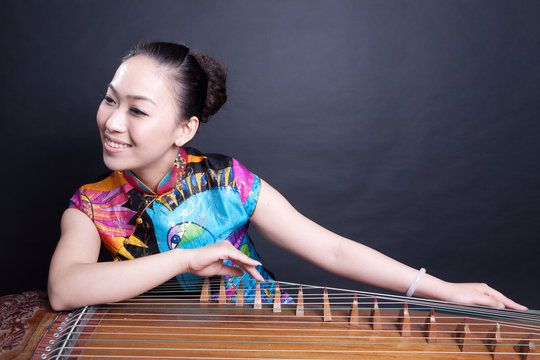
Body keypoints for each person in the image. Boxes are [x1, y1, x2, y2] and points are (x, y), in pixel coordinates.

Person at [48, 41, 526, 312]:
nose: (112, 121)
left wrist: (445, 290)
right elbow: (65, 289)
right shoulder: (92, 206)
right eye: (111, 99)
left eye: (138, 110)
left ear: (184, 128)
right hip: (164, 343)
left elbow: (330, 248)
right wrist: (185, 260)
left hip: (265, 327)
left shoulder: (225, 181)